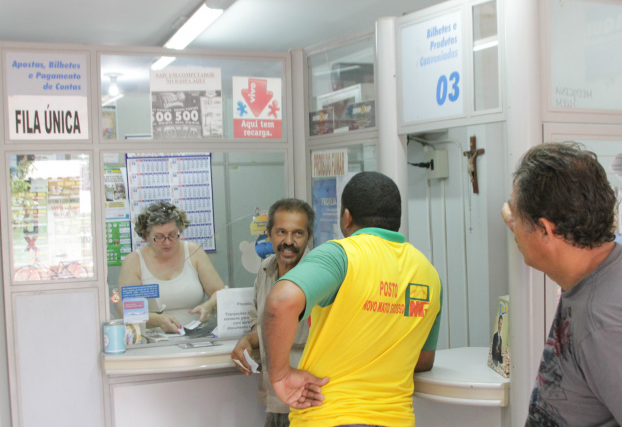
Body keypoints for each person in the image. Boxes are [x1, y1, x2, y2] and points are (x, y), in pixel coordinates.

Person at [263, 171, 443, 427]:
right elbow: (423, 361)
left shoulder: (340, 255)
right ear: (396, 219)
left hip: (329, 417)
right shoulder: (429, 274)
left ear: (347, 217)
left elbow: (279, 303)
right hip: (397, 419)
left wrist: (280, 374)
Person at [501, 142, 622, 426]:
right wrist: (518, 217)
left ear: (547, 230)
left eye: (516, 215)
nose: (512, 223)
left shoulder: (603, 326)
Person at [231, 198, 315, 427]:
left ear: (309, 236)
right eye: (281, 232)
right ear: (268, 234)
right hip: (273, 398)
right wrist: (247, 340)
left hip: (306, 402)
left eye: (298, 233)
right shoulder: (266, 268)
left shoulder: (318, 276)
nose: (288, 241)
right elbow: (264, 325)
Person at [118, 201, 225, 333]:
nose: (167, 242)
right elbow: (126, 309)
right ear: (146, 235)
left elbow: (220, 293)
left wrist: (209, 306)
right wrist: (157, 320)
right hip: (152, 340)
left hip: (195, 335)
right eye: (159, 237)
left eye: (173, 235)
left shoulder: (193, 252)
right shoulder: (134, 261)